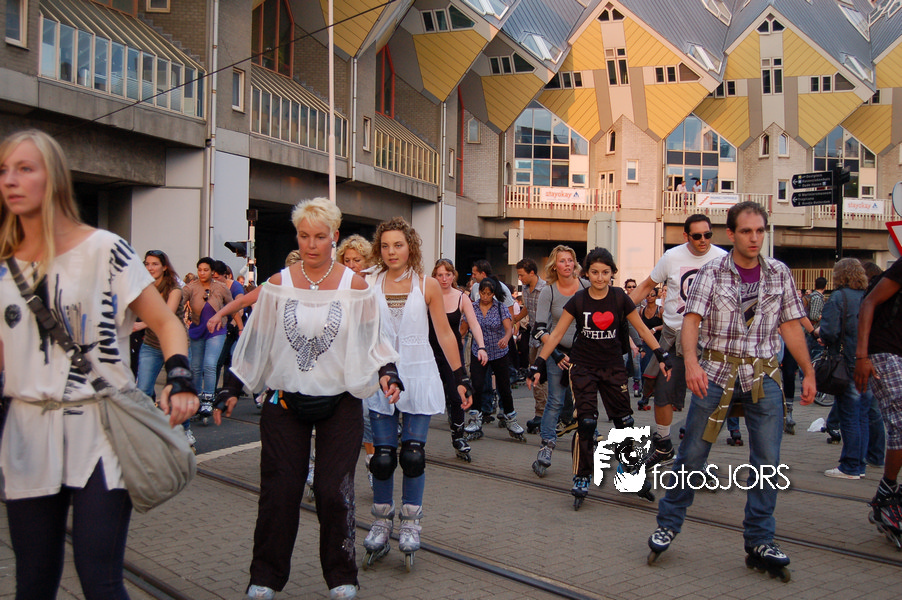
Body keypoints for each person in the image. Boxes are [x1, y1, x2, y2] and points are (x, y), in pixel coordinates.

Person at [0, 129, 198, 599]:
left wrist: (179, 377)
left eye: (25, 168)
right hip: (27, 432)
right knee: (33, 581)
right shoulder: (5, 264)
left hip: (100, 426)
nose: (10, 180)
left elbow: (166, 323)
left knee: (99, 577)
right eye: (3, 170)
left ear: (54, 178)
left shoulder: (105, 249)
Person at [215, 197, 403, 600]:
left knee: (334, 492)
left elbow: (375, 340)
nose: (311, 244)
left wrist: (388, 374)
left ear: (334, 236)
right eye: (304, 236)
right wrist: (230, 387)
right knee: (280, 491)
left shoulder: (355, 286)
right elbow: (257, 340)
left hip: (340, 402)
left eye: (320, 236)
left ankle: (341, 576)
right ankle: (265, 577)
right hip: (285, 402)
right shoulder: (279, 283)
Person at [646, 201, 814, 578]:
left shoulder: (779, 273)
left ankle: (760, 539)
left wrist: (808, 371)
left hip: (763, 376)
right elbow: (691, 321)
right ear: (732, 234)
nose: (754, 238)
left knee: (767, 461)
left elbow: (790, 325)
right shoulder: (712, 272)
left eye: (760, 231)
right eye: (746, 231)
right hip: (716, 374)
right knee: (692, 454)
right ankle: (668, 524)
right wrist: (691, 363)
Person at [363, 217, 473, 571]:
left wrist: (460, 376)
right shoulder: (369, 283)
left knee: (413, 454)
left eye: (398, 245)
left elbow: (444, 333)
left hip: (419, 372)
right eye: (385, 246)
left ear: (410, 247)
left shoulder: (427, 285)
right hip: (381, 377)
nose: (391, 252)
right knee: (382, 457)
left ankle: (411, 523)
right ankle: (381, 521)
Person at [528, 248, 671, 505]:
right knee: (586, 423)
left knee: (625, 422)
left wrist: (661, 355)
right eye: (594, 272)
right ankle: (582, 476)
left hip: (613, 367)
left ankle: (630, 472)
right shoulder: (579, 300)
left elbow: (641, 329)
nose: (600, 277)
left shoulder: (619, 298)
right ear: (587, 273)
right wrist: (537, 365)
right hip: (583, 367)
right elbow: (556, 334)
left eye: (605, 272)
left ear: (612, 273)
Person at [630, 214, 727, 466]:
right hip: (673, 337)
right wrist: (619, 308)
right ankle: (663, 446)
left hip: (709, 339)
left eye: (708, 235)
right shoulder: (672, 257)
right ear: (686, 236)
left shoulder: (722, 258)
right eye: (697, 236)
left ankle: (698, 458)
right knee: (662, 392)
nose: (703, 240)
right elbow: (646, 286)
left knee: (707, 399)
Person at [854, 257, 902, 547]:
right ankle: (886, 493)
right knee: (900, 423)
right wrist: (861, 356)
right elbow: (869, 303)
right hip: (884, 352)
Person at [530, 244, 587, 477]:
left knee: (585, 401)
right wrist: (555, 354)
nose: (567, 265)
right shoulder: (549, 291)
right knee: (555, 401)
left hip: (584, 353)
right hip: (557, 353)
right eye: (562, 261)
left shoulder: (586, 287)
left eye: (570, 260)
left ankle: (589, 444)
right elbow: (538, 328)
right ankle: (546, 445)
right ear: (555, 265)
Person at [430, 258, 488, 462]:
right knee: (418, 391)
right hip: (429, 351)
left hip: (452, 353)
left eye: (447, 274)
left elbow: (474, 324)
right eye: (440, 275)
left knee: (457, 395)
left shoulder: (461, 298)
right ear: (434, 277)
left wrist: (481, 346)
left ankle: (458, 437)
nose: (444, 279)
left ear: (453, 276)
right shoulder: (427, 296)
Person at [133, 250, 191, 446]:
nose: (150, 268)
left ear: (164, 267)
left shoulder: (174, 288)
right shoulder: (143, 286)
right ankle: (146, 431)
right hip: (151, 344)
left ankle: (185, 430)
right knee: (143, 390)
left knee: (177, 390)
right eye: (147, 264)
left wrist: (140, 325)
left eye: (155, 264)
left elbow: (166, 314)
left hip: (175, 345)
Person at [819, 258, 870, 478]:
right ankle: (860, 464)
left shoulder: (839, 298)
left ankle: (850, 466)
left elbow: (829, 331)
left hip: (845, 362)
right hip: (867, 362)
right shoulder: (868, 296)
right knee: (862, 416)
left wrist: (821, 334)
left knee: (848, 415)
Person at [460, 278, 524, 442]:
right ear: (479, 292)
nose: (485, 297)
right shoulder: (472, 307)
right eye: (483, 293)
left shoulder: (500, 307)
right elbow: (463, 329)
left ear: (494, 294)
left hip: (499, 352)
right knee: (477, 384)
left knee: (504, 386)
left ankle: (511, 418)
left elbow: (509, 328)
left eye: (489, 294)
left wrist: (506, 338)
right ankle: (475, 418)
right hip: (479, 352)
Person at [184, 256, 232, 420]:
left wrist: (239, 326)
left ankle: (208, 399)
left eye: (206, 270)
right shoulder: (191, 287)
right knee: (196, 366)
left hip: (217, 330)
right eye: (200, 270)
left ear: (212, 272)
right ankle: (196, 397)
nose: (202, 273)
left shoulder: (221, 287)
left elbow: (232, 305)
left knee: (210, 364)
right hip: (197, 329)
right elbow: (179, 302)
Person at [516, 258, 547, 433]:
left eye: (522, 275)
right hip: (533, 339)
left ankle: (543, 414)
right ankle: (540, 413)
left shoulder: (546, 289)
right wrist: (515, 319)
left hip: (546, 338)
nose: (520, 279)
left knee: (540, 376)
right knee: (533, 374)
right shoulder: (526, 291)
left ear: (532, 273)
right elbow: (527, 309)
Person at [637, 287, 664, 410]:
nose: (649, 297)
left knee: (656, 368)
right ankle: (645, 394)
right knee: (645, 367)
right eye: (647, 295)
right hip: (645, 343)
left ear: (656, 296)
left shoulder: (660, 310)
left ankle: (652, 394)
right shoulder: (642, 311)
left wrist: (655, 328)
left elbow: (666, 325)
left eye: (652, 295)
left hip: (658, 343)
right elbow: (637, 325)